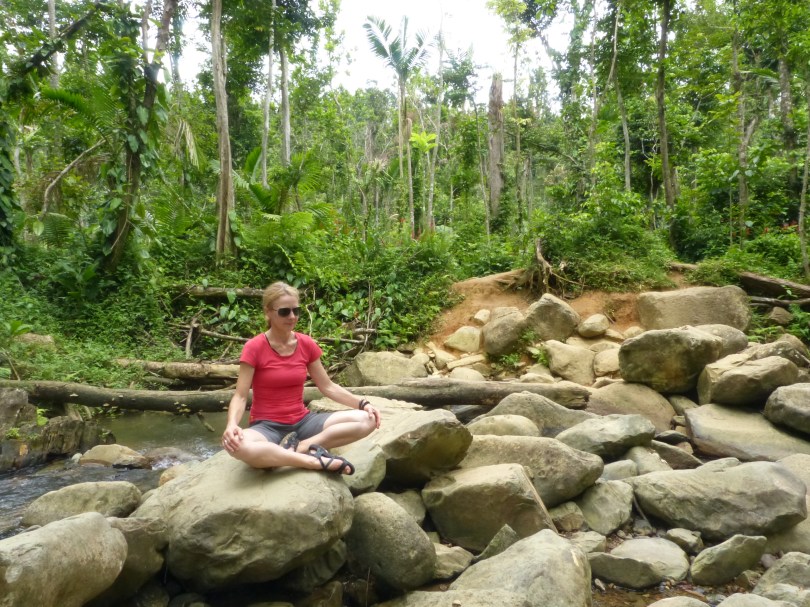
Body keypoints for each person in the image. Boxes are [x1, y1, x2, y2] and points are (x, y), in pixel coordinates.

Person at [222, 281, 380, 474]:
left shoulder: (306, 344)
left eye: (296, 311)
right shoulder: (254, 347)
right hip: (266, 427)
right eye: (284, 312)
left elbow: (327, 386)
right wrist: (231, 425)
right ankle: (312, 462)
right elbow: (240, 396)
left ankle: (302, 447)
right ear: (268, 312)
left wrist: (363, 403)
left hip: (304, 422)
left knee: (368, 420)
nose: (292, 317)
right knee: (239, 446)